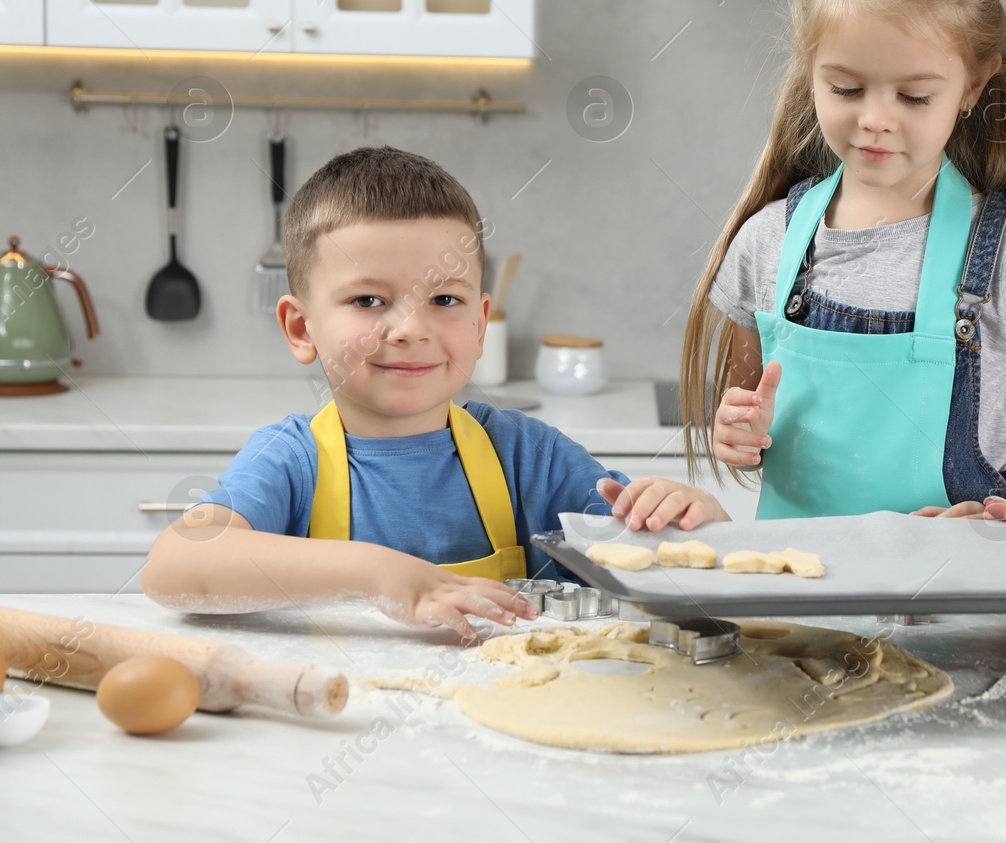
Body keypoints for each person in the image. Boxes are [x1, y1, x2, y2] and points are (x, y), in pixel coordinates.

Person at [142, 146, 726, 640]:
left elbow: (671, 567)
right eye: (368, 300)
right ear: (301, 328)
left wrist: (696, 517)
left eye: (445, 300)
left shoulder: (527, 457)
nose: (411, 328)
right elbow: (174, 567)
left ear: (479, 323)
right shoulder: (292, 461)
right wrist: (377, 572)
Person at [668, 0, 1006, 522]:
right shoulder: (767, 245)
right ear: (810, 73)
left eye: (914, 95)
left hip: (959, 600)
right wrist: (736, 437)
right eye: (845, 89)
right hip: (799, 601)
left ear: (973, 85)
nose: (875, 119)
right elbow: (748, 426)